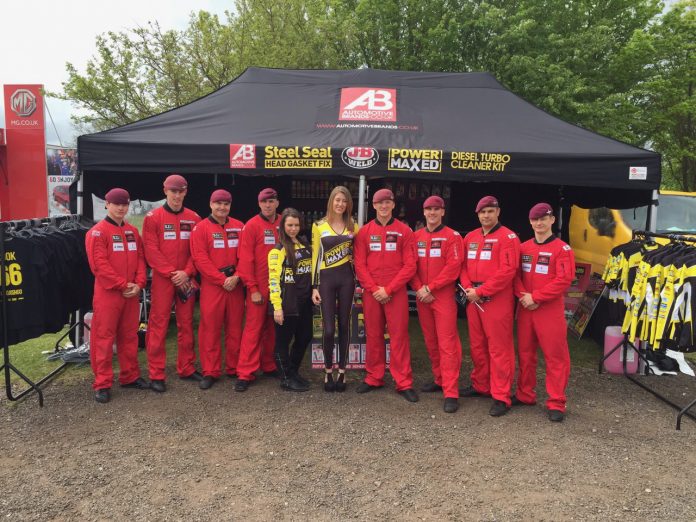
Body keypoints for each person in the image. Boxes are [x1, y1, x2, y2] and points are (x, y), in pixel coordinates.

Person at [353, 188, 419, 402]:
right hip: (372, 292)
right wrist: (374, 289)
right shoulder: (364, 232)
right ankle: (374, 376)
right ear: (373, 205)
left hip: (395, 292)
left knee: (399, 336)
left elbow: (410, 265)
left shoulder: (404, 231)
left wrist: (389, 289)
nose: (383, 206)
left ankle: (403, 382)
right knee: (373, 334)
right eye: (379, 203)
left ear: (393, 205)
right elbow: (360, 265)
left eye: (387, 202)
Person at [85, 188, 149, 403]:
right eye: (116, 204)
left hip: (131, 292)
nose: (121, 208)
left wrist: (139, 283)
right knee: (103, 338)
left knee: (129, 335)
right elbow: (99, 266)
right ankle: (102, 383)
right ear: (107, 204)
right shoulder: (97, 232)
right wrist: (122, 284)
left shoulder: (132, 231)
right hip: (109, 294)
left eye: (125, 204)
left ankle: (130, 376)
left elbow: (141, 259)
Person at [514, 203, 575, 422]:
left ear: (552, 220)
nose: (539, 223)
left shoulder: (562, 249)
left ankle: (556, 401)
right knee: (525, 354)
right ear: (530, 222)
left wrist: (536, 297)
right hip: (526, 308)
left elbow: (564, 280)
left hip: (549, 310)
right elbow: (515, 276)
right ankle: (524, 394)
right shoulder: (523, 248)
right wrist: (524, 296)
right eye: (535, 219)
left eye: (543, 219)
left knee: (555, 357)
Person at [459, 196, 520, 417]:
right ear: (477, 214)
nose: (486, 216)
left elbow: (508, 271)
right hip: (473, 298)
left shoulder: (508, 237)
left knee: (499, 348)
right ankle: (481, 385)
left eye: (490, 211)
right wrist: (468, 288)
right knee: (477, 345)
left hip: (496, 299)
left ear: (498, 212)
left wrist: (482, 291)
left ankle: (501, 395)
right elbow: (462, 266)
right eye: (482, 212)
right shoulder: (471, 237)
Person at [141, 174, 202, 392]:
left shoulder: (194, 218)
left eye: (181, 191)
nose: (177, 195)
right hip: (163, 279)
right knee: (159, 324)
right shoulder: (153, 217)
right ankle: (156, 373)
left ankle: (186, 367)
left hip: (186, 278)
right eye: (173, 191)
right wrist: (171, 273)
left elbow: (197, 251)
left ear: (186, 192)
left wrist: (186, 272)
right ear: (165, 191)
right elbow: (150, 249)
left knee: (187, 323)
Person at [411, 196, 463, 413]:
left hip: (441, 296)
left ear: (442, 212)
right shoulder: (416, 236)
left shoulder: (452, 236)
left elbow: (454, 267)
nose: (432, 213)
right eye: (428, 209)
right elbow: (410, 266)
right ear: (423, 212)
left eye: (436, 209)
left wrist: (430, 288)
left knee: (447, 344)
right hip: (423, 296)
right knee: (431, 341)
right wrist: (420, 288)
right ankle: (439, 379)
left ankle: (451, 392)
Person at [190, 189, 245, 390]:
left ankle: (234, 367)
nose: (222, 208)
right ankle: (210, 371)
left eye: (226, 204)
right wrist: (221, 280)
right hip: (214, 286)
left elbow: (245, 255)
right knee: (210, 330)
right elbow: (200, 259)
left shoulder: (239, 226)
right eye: (218, 204)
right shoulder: (201, 228)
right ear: (211, 205)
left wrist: (237, 275)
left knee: (235, 328)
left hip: (235, 285)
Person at [311, 186, 359, 392]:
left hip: (347, 279)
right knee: (329, 329)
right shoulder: (318, 225)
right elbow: (315, 257)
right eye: (337, 200)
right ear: (331, 201)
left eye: (344, 201)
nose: (340, 204)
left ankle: (342, 372)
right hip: (326, 280)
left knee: (345, 326)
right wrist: (314, 286)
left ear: (348, 204)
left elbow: (358, 255)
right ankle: (328, 371)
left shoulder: (354, 226)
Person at [235, 188, 282, 392]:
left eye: (271, 201)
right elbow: (245, 260)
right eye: (264, 202)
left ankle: (269, 365)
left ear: (277, 203)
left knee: (273, 329)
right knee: (253, 330)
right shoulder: (252, 226)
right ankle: (245, 372)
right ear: (259, 204)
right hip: (259, 286)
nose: (268, 205)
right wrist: (252, 288)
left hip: (279, 286)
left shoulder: (284, 222)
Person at [269, 208, 313, 392]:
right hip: (286, 303)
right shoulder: (277, 251)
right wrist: (277, 307)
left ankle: (293, 371)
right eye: (289, 225)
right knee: (282, 342)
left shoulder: (306, 246)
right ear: (283, 226)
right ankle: (286, 377)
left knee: (304, 337)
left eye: (296, 225)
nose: (293, 229)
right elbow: (272, 281)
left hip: (305, 302)